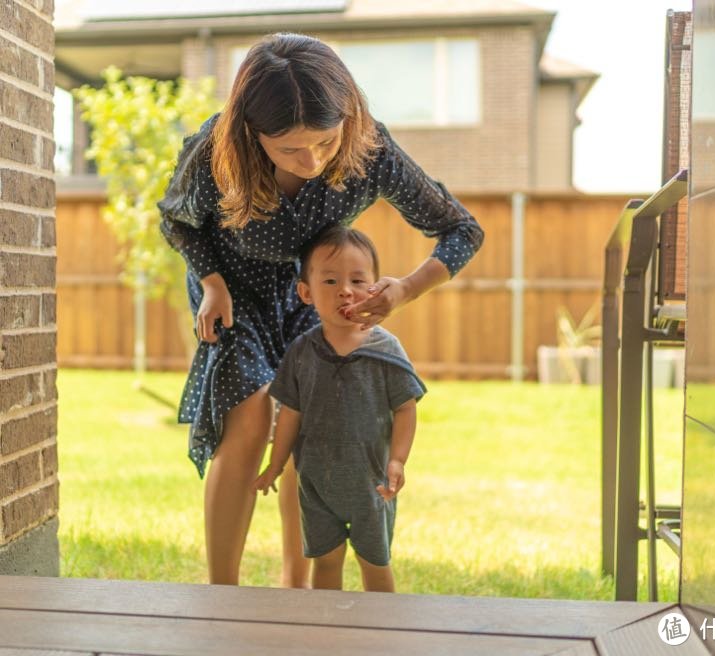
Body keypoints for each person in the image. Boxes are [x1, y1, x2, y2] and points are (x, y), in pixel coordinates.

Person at [158, 32, 484, 587]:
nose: (311, 161)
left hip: (314, 293)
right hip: (234, 293)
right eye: (289, 149)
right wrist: (211, 283)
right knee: (252, 413)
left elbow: (461, 230)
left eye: (325, 145)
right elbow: (177, 220)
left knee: (305, 418)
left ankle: (297, 582)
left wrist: (405, 288)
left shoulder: (369, 150)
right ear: (250, 132)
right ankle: (222, 591)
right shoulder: (217, 149)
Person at [253, 225, 425, 592]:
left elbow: (406, 409)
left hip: (371, 485)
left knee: (375, 566)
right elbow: (290, 415)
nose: (345, 290)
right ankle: (326, 637)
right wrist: (276, 464)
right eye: (330, 281)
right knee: (326, 566)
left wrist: (398, 461)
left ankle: (380, 639)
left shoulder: (386, 350)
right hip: (317, 485)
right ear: (306, 292)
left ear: (376, 289)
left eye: (358, 280)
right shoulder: (302, 352)